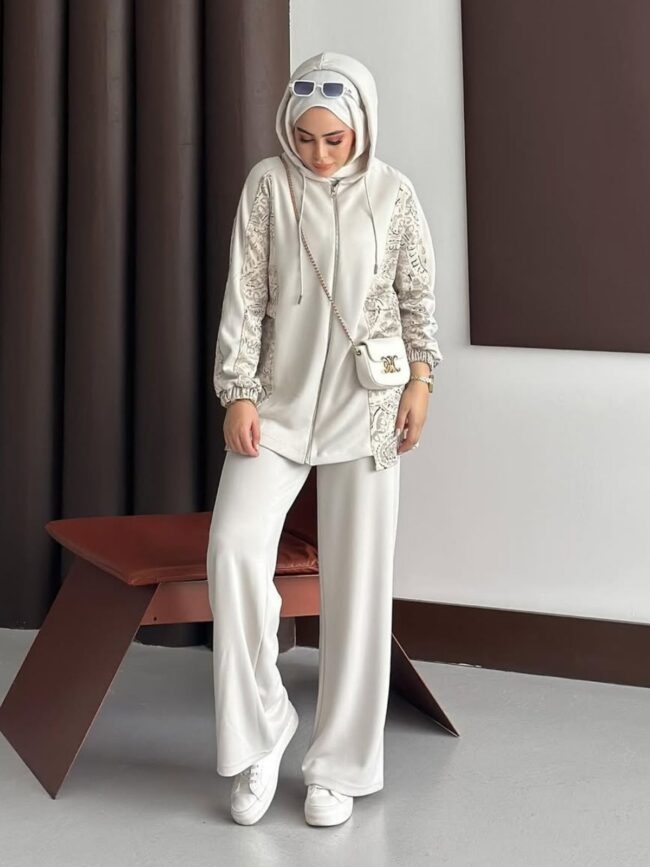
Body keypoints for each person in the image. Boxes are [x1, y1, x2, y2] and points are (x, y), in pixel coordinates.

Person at [206, 50, 443, 828]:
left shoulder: (395, 195)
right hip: (275, 407)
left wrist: (421, 381)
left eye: (334, 140)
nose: (318, 153)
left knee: (359, 586)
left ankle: (339, 766)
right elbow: (246, 295)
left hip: (367, 408)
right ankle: (260, 731)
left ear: (361, 128)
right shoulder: (267, 187)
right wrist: (239, 391)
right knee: (233, 549)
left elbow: (417, 297)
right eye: (304, 138)